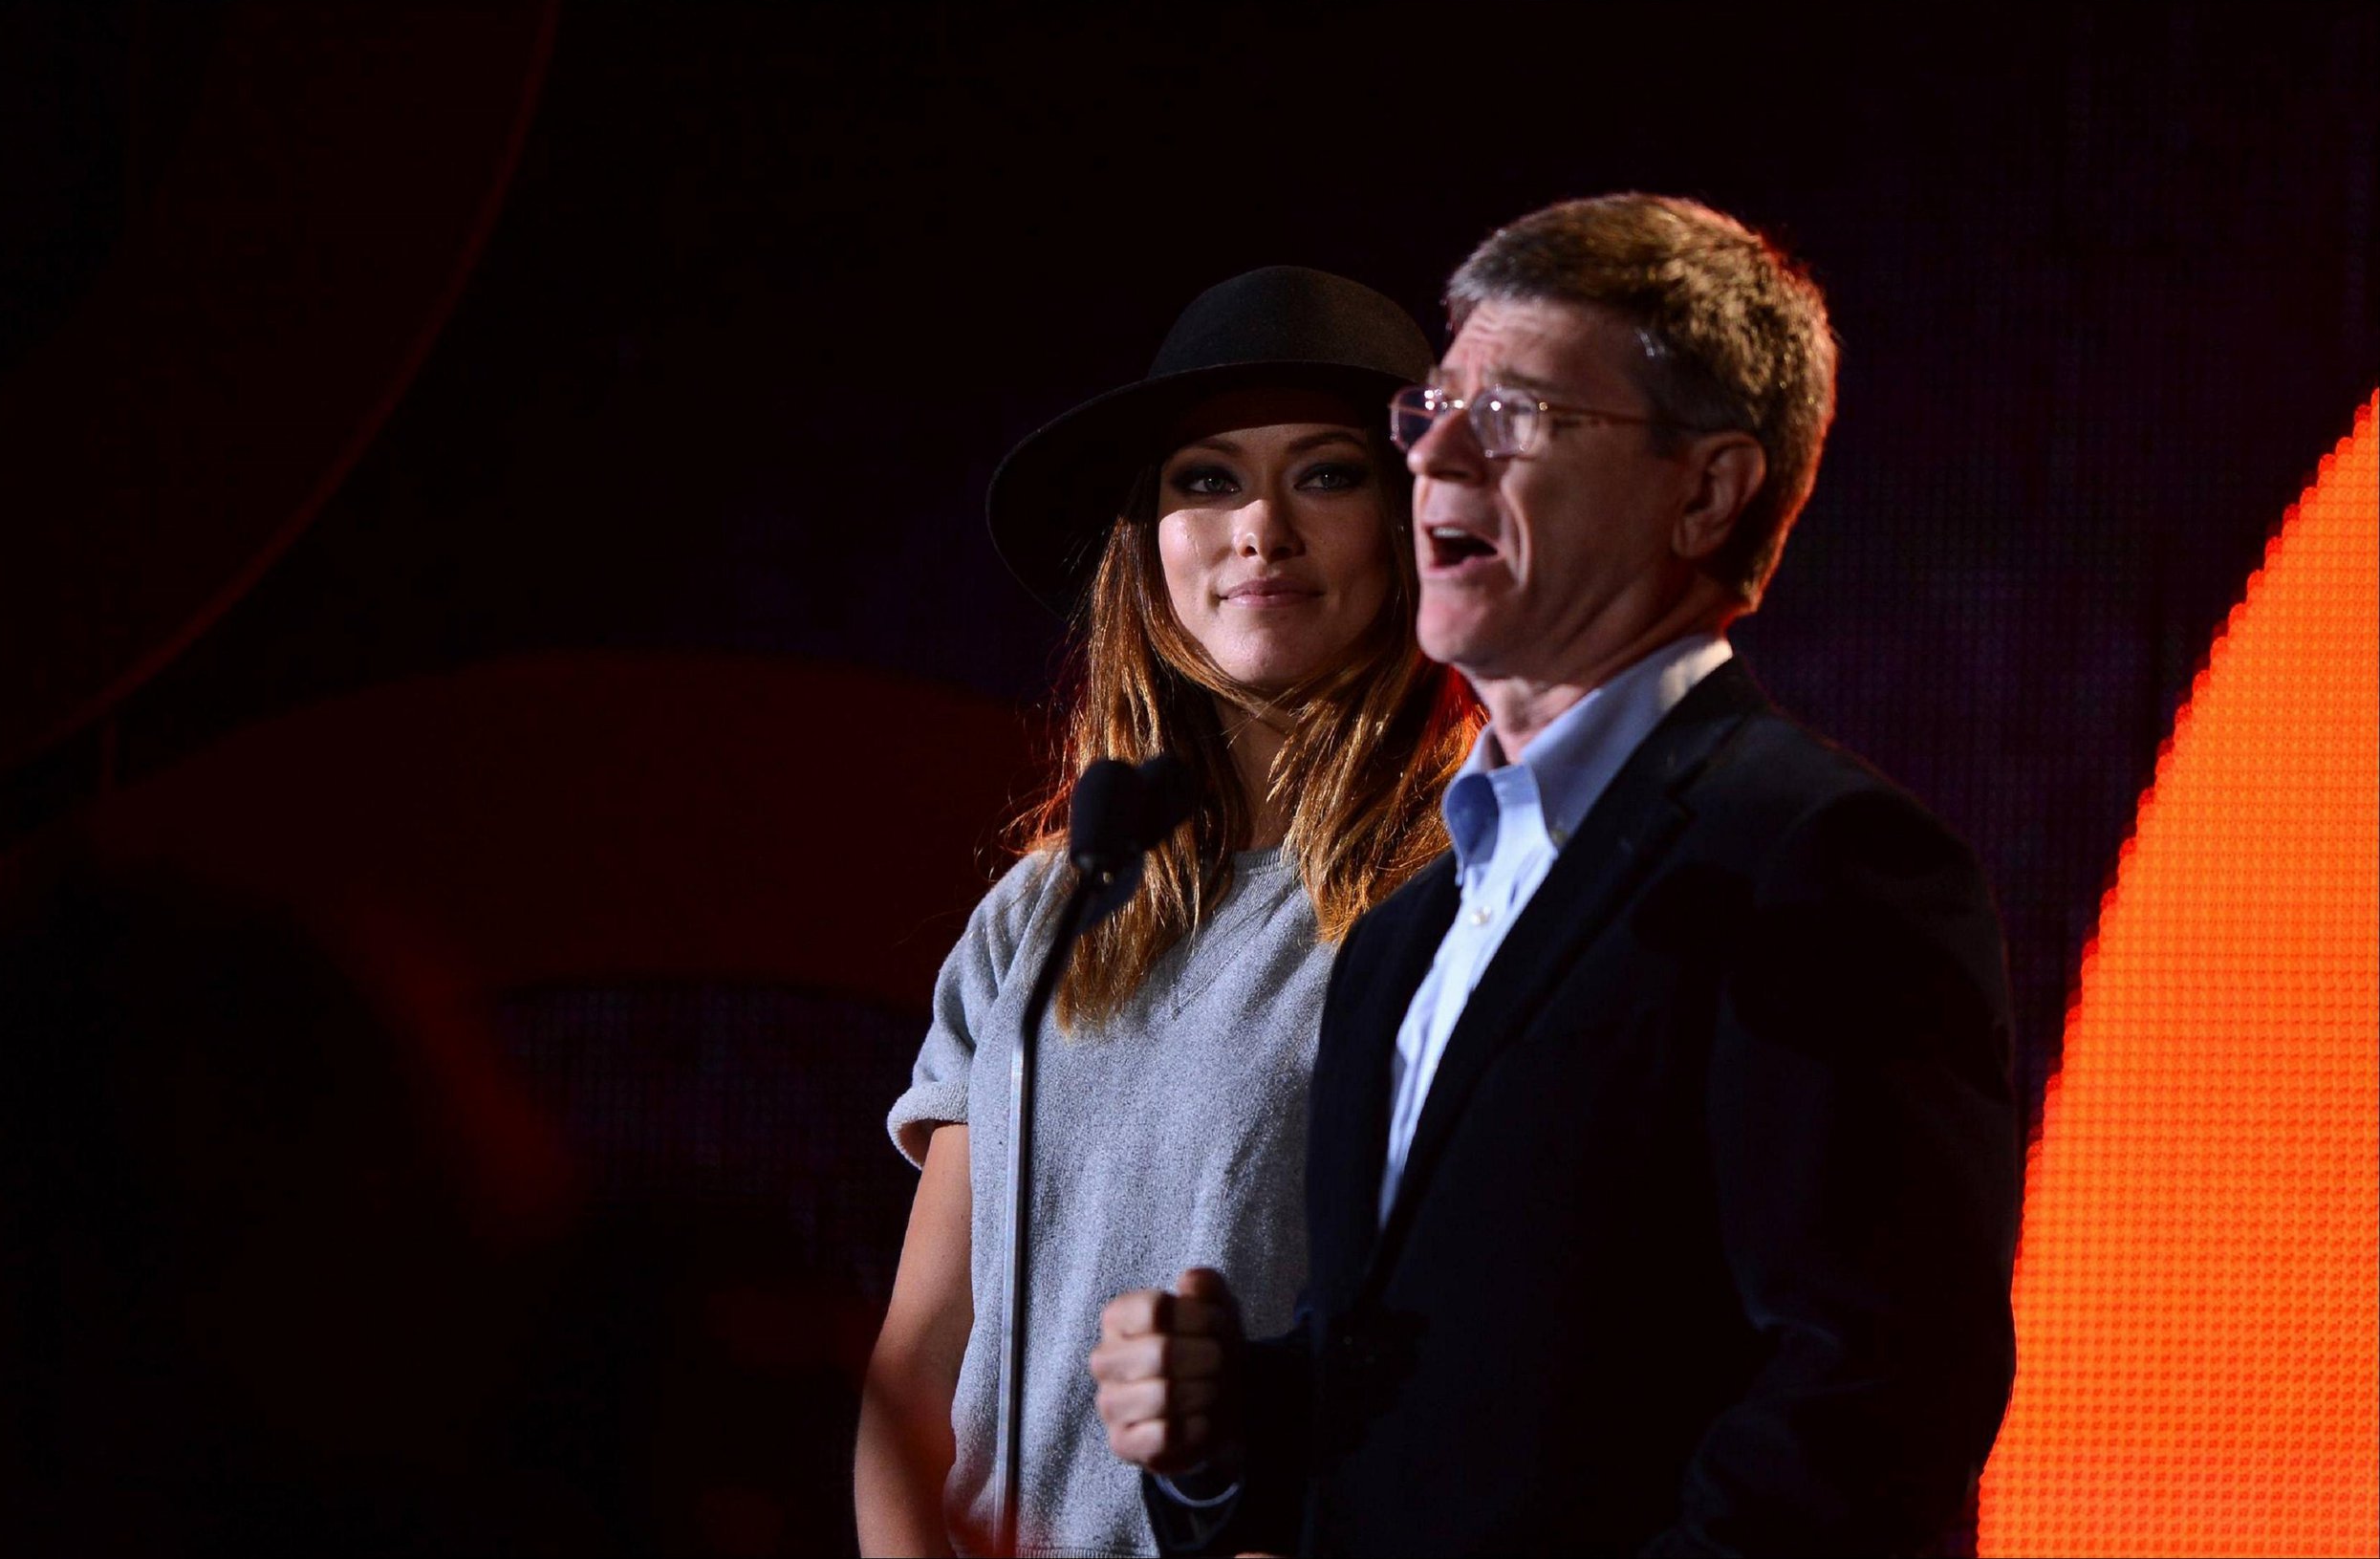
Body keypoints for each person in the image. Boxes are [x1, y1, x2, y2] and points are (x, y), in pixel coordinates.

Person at [1093, 195, 2024, 1554]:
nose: (1437, 458)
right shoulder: (1409, 930)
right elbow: (1438, 1404)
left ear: (1704, 490)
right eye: (1430, 412)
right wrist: (1227, 1421)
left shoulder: (1819, 860)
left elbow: (1870, 1397)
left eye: (1517, 413)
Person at [855, 267, 1479, 1556]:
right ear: (1147, 540)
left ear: (1420, 521)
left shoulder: (1471, 893)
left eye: (1325, 473)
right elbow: (916, 1367)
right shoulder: (1043, 909)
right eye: (1204, 478)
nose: (1259, 526)